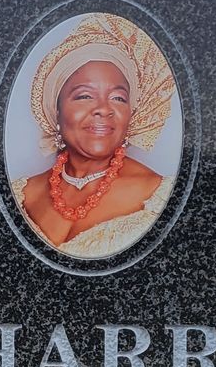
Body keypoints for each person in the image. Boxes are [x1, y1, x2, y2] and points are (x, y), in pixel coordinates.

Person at [11, 16, 177, 258]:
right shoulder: (19, 194)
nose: (104, 109)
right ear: (55, 110)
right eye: (84, 96)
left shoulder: (160, 196)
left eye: (118, 98)